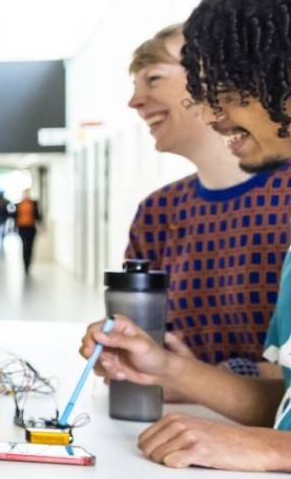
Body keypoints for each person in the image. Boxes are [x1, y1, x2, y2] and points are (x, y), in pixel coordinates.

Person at [82, 0, 291, 472]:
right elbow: (280, 407)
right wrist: (166, 368)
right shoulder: (161, 210)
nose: (212, 107)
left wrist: (272, 449)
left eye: (228, 83)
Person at [121, 23, 291, 378]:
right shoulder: (157, 211)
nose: (135, 102)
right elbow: (145, 340)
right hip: (180, 424)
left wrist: (206, 378)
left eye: (153, 79)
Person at [13, 188, 44, 272]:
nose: (26, 195)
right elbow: (15, 216)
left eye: (28, 193)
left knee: (30, 246)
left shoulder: (33, 203)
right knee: (25, 245)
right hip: (22, 227)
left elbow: (38, 215)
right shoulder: (18, 204)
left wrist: (41, 225)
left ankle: (29, 263)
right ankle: (25, 264)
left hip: (31, 228)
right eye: (25, 193)